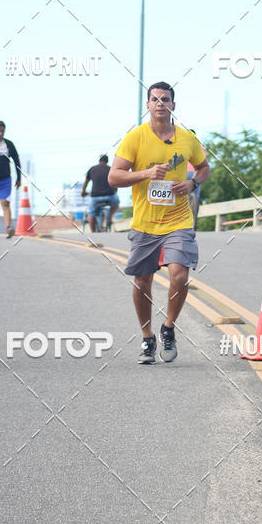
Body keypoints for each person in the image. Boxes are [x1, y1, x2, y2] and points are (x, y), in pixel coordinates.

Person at [108, 82, 210, 365]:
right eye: (155, 99)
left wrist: (192, 183)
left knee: (179, 274)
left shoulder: (187, 138)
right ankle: (147, 338)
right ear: (148, 105)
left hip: (179, 220)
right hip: (145, 223)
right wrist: (146, 173)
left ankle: (168, 329)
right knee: (143, 281)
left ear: (173, 105)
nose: (160, 103)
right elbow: (113, 178)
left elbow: (204, 167)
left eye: (165, 99)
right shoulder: (135, 137)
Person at [81, 154, 120, 232]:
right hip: (109, 195)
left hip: (95, 196)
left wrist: (83, 192)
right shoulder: (110, 169)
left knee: (91, 213)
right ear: (107, 161)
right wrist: (115, 190)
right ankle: (110, 216)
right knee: (116, 203)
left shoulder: (92, 169)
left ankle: (93, 232)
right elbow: (114, 182)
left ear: (99, 161)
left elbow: (86, 182)